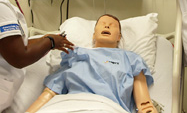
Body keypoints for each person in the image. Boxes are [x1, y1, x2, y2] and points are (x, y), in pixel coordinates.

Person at [26, 14, 157, 113]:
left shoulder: (130, 59)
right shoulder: (74, 54)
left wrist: (147, 107)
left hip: (107, 107)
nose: (107, 26)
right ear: (94, 35)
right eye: (103, 24)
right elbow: (50, 92)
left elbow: (144, 103)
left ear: (119, 37)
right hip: (67, 106)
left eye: (113, 25)